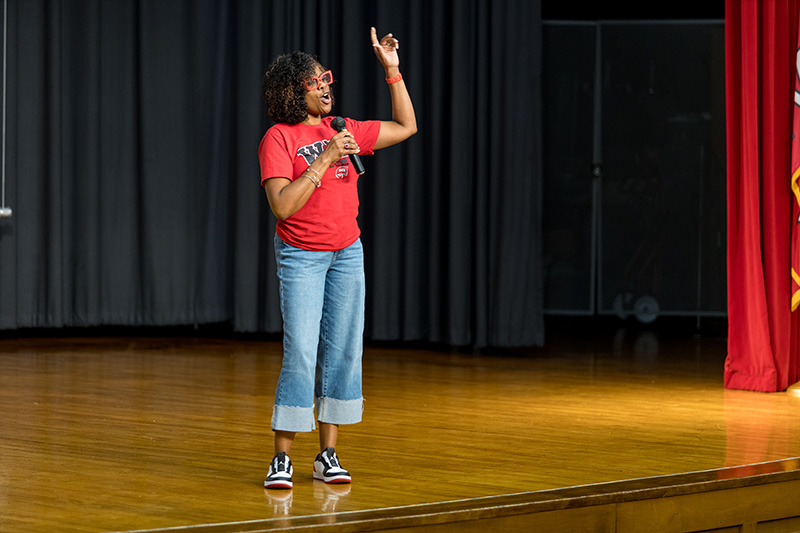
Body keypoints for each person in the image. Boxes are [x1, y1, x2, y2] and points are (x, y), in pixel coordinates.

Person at [258, 27, 417, 490]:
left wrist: (393, 71)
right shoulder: (279, 139)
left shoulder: (343, 128)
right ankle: (282, 457)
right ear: (293, 90)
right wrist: (325, 157)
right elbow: (283, 205)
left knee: (344, 351)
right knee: (303, 351)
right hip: (301, 256)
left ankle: (327, 454)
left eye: (327, 77)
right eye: (316, 81)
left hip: (347, 252)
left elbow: (406, 127)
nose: (327, 85)